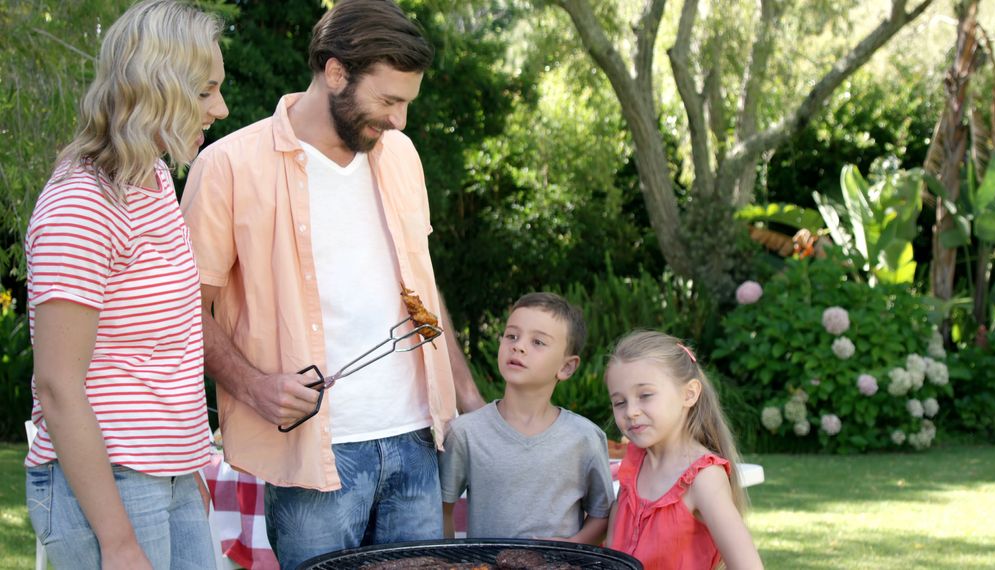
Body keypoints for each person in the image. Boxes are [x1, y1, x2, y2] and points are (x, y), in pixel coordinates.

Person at [180, 0, 483, 567]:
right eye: (390, 100)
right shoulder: (226, 166)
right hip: (310, 453)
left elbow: (423, 286)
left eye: (406, 103)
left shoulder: (403, 156)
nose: (400, 120)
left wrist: (469, 401)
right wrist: (253, 386)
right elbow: (184, 309)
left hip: (418, 439)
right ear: (336, 71)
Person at [22, 1, 229, 568]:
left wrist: (186, 470)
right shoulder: (81, 205)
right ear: (160, 87)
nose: (221, 108)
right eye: (206, 92)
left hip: (168, 475)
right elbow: (59, 387)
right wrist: (117, 541)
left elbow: (168, 348)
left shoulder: (154, 178)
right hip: (106, 484)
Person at [439, 292, 614, 543]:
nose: (518, 346)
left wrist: (571, 547)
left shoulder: (585, 438)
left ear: (566, 367)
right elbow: (443, 511)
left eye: (538, 342)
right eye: (512, 335)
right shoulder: (466, 432)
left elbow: (603, 515)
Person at [604, 331, 763, 570]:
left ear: (689, 394)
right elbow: (611, 555)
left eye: (645, 395)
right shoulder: (632, 467)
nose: (631, 411)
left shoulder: (704, 477)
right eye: (620, 402)